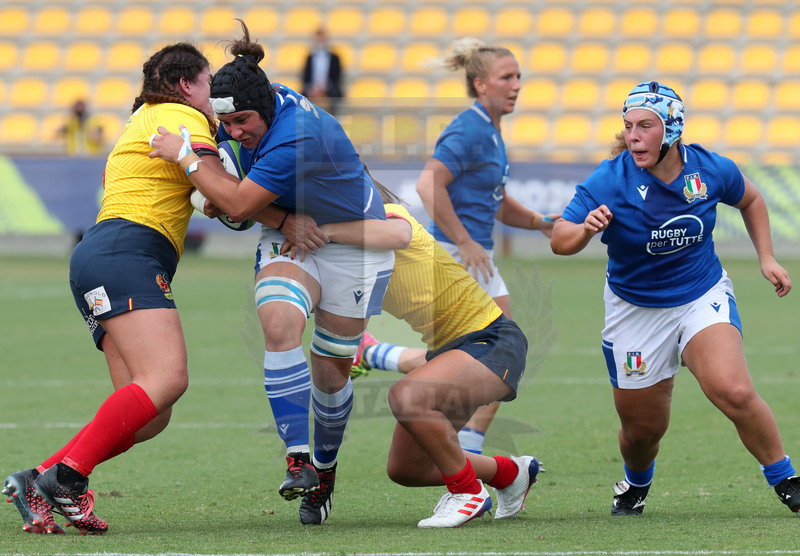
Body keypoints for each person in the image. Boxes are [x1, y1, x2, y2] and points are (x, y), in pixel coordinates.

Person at [147, 20, 394, 526]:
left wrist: (192, 167)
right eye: (228, 124)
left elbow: (236, 202)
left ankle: (324, 470)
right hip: (292, 230)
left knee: (332, 374)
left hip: (352, 240)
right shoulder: (248, 101)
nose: (235, 132)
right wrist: (232, 197)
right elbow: (237, 208)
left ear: (265, 108)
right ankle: (298, 459)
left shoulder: (297, 134)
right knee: (279, 323)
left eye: (243, 122)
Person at [550, 80, 800, 516]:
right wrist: (586, 228)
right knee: (644, 429)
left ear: (671, 130)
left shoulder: (709, 170)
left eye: (645, 126)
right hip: (635, 311)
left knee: (734, 390)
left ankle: (786, 479)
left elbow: (752, 199)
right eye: (628, 126)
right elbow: (559, 239)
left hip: (700, 295)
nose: (633, 136)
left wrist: (767, 258)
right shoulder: (610, 179)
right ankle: (635, 483)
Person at [2, 43, 220, 535]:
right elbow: (220, 191)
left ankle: (38, 478)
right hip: (129, 251)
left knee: (148, 415)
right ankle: (68, 480)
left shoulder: (141, 117)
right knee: (169, 379)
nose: (215, 94)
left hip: (100, 255)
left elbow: (195, 192)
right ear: (187, 85)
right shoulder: (180, 118)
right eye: (209, 82)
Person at [354, 38, 560, 459]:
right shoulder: (469, 128)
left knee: (471, 356)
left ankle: (376, 352)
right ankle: (470, 450)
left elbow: (495, 200)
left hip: (473, 255)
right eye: (507, 77)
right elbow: (429, 185)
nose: (517, 84)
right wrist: (464, 242)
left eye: (519, 76)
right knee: (498, 356)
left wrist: (539, 222)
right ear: (481, 84)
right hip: (457, 255)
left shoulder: (490, 130)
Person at [302, 180, 542, 528]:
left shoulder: (389, 215)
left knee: (406, 396)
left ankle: (467, 493)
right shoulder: (356, 257)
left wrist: (323, 230)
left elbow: (397, 235)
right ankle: (510, 473)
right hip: (452, 350)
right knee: (407, 469)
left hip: (493, 341)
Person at [301, 28, 344, 116]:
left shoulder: (335, 58)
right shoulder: (309, 58)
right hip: (312, 89)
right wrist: (313, 88)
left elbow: (337, 77)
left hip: (329, 88)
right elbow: (305, 78)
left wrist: (325, 87)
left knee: (336, 94)